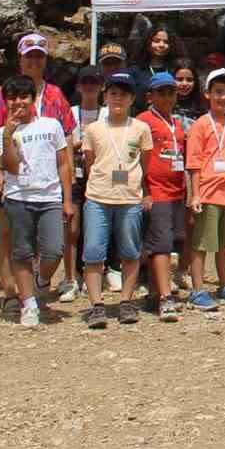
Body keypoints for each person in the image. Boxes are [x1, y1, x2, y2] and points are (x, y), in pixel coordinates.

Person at [0, 73, 74, 328]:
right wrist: (8, 137)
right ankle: (28, 303)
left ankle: (41, 280)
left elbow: (63, 163)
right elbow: (12, 167)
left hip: (49, 196)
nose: (18, 102)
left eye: (23, 96)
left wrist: (67, 199)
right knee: (21, 252)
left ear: (34, 98)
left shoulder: (51, 126)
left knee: (54, 249)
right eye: (11, 98)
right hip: (19, 197)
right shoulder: (2, 133)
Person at [78, 70, 152, 328]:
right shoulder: (93, 128)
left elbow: (146, 162)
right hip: (98, 197)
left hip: (130, 198)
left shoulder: (141, 128)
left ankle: (125, 301)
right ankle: (97, 305)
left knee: (130, 251)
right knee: (93, 252)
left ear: (132, 98)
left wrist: (145, 192)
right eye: (112, 93)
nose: (117, 98)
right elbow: (89, 163)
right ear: (105, 96)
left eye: (123, 94)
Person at [184, 68, 225, 312]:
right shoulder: (201, 125)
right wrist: (196, 194)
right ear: (207, 94)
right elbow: (193, 163)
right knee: (202, 243)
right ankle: (198, 289)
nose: (223, 97)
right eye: (218, 92)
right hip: (209, 193)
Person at [135, 72, 189, 321]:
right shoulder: (143, 121)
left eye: (171, 92)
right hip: (156, 192)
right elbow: (136, 160)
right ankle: (167, 298)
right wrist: (144, 192)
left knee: (173, 242)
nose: (167, 97)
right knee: (161, 245)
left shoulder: (176, 123)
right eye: (161, 93)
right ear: (150, 96)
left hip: (176, 190)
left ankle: (155, 294)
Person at [59, 65, 106, 302]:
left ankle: (92, 274)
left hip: (100, 176)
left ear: (101, 87)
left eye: (94, 83)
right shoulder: (69, 112)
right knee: (72, 229)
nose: (89, 87)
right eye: (85, 82)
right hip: (75, 173)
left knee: (95, 228)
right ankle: (69, 277)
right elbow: (64, 145)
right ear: (78, 86)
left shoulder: (107, 113)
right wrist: (82, 144)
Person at [129, 26, 184, 111]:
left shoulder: (177, 69)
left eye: (166, 42)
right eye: (157, 41)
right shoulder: (135, 71)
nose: (161, 45)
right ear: (148, 43)